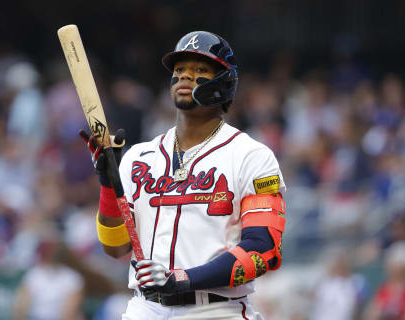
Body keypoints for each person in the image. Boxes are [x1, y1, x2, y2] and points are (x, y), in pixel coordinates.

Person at [80, 31, 287, 320]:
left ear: (223, 82)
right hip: (144, 308)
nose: (185, 77)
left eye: (200, 70)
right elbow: (115, 248)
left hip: (215, 309)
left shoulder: (251, 155)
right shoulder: (139, 156)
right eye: (179, 70)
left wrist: (182, 278)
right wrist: (107, 183)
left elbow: (262, 250)